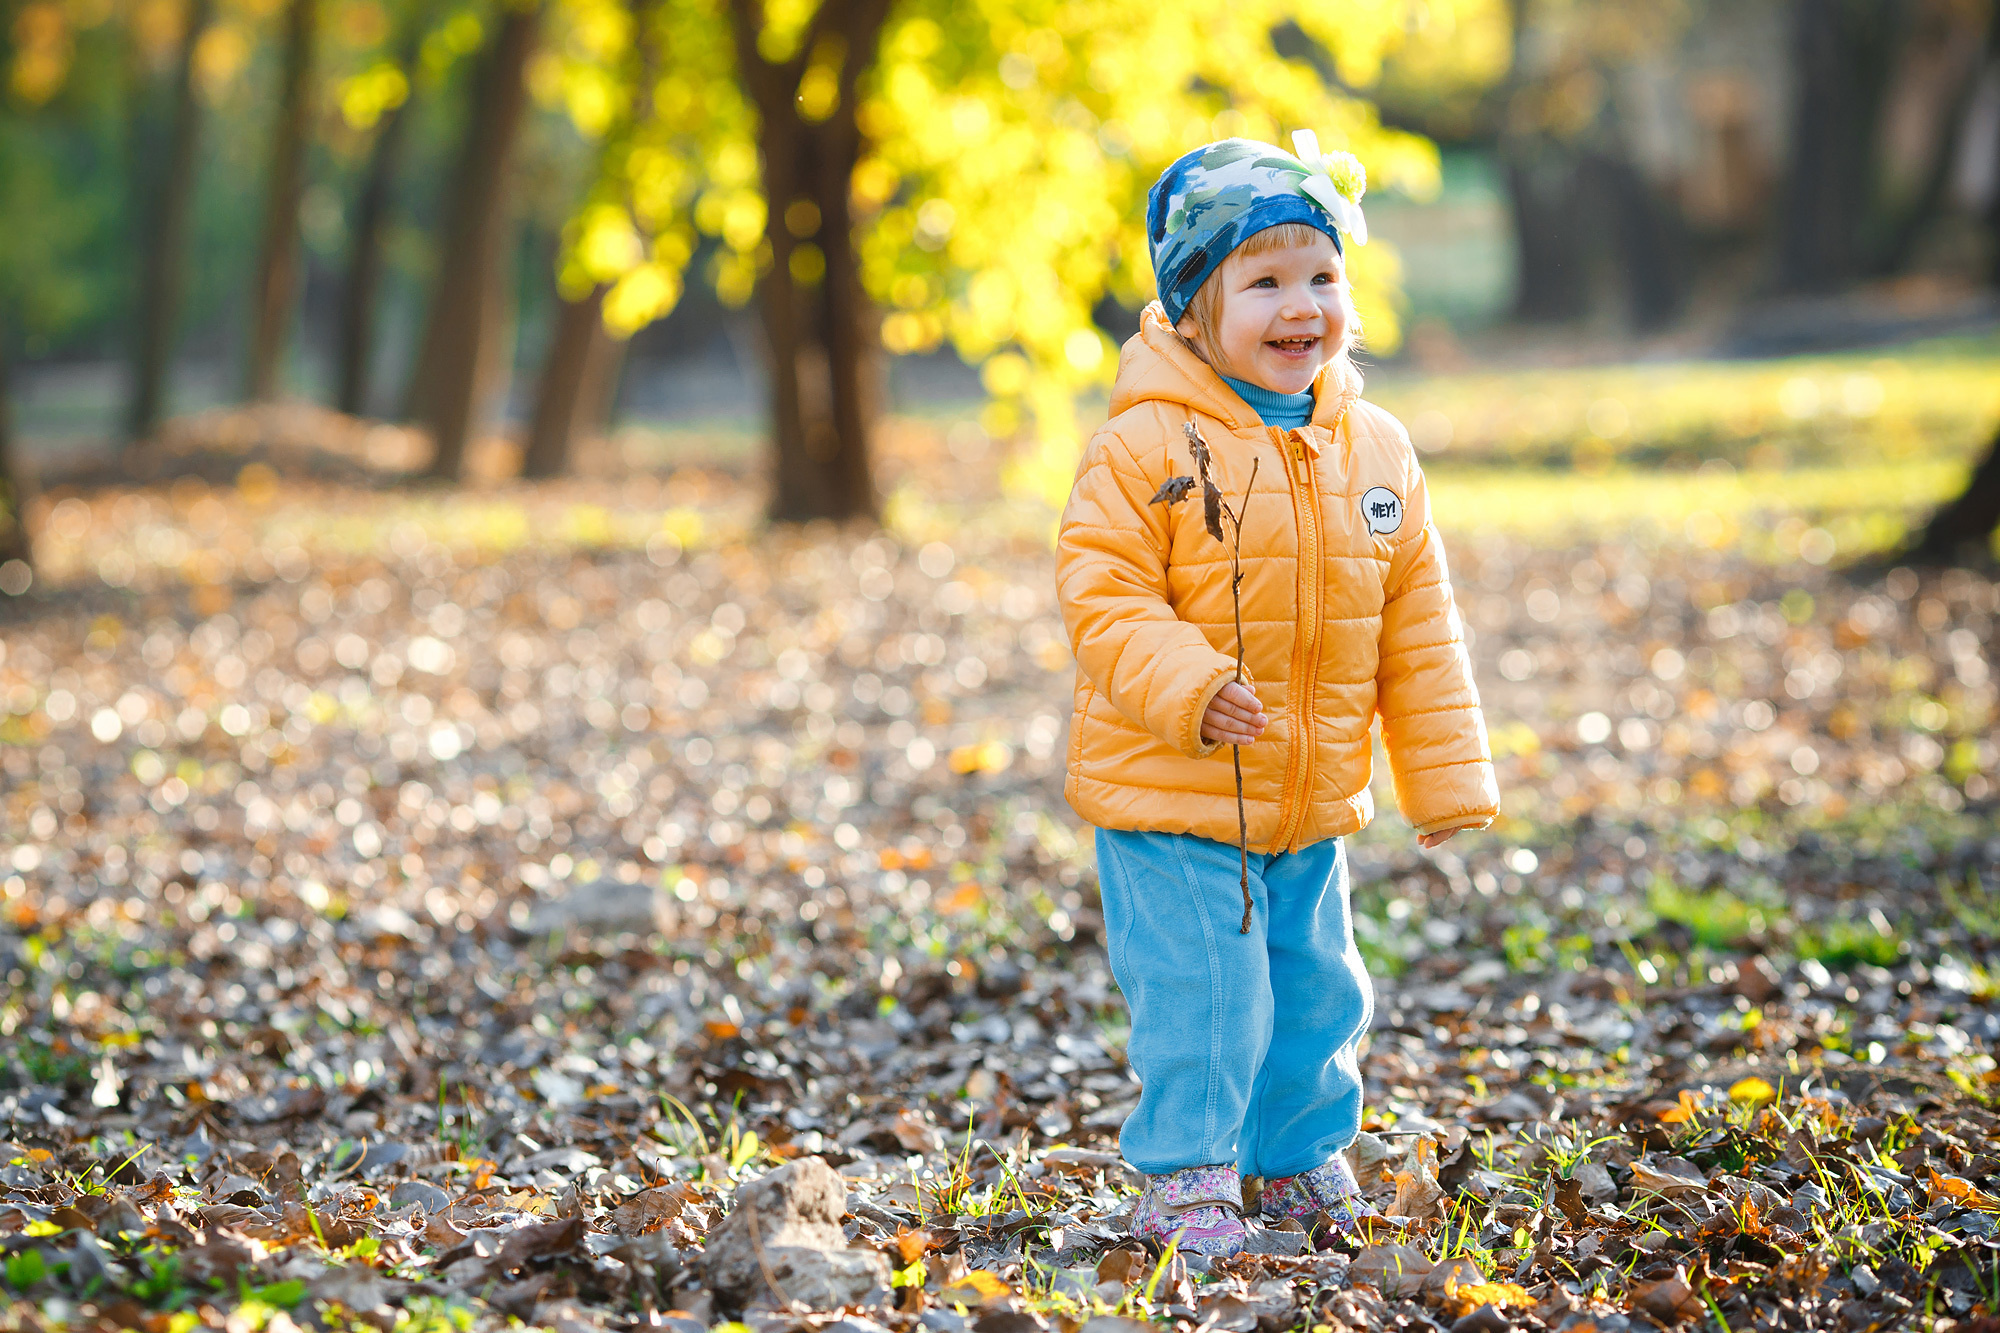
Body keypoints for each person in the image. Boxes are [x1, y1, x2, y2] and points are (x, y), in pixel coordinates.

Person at [1055, 134, 1499, 1257]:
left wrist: (1443, 779)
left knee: (1315, 997)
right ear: (1194, 311)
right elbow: (1101, 596)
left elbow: (1416, 622)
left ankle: (1294, 1159)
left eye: (1321, 276)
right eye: (1263, 281)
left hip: (1307, 796)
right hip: (1174, 793)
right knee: (1207, 999)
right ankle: (1187, 1174)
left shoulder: (1375, 449)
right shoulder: (1141, 444)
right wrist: (1191, 686)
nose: (1300, 305)